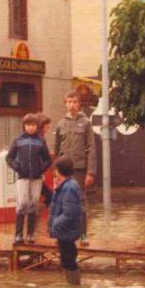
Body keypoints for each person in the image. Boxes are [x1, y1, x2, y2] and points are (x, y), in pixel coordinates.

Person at [51, 92, 96, 240]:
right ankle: (63, 234)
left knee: (80, 202)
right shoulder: (60, 124)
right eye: (69, 102)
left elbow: (91, 148)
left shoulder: (86, 123)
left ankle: (83, 234)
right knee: (61, 202)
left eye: (75, 102)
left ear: (79, 104)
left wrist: (91, 172)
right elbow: (56, 150)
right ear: (65, 104)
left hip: (79, 170)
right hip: (63, 171)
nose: (72, 105)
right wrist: (55, 171)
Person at [5, 113, 52, 245]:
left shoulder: (40, 141)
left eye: (33, 125)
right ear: (24, 126)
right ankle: (18, 234)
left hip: (36, 178)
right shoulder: (18, 140)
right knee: (23, 203)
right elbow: (9, 157)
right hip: (22, 178)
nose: (30, 128)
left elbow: (47, 159)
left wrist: (41, 169)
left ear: (37, 126)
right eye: (28, 125)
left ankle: (30, 234)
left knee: (33, 204)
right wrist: (17, 167)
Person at [48, 157, 86, 283]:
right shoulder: (67, 185)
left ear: (58, 171)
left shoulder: (68, 187)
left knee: (69, 260)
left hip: (66, 230)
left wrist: (55, 225)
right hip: (65, 231)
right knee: (66, 259)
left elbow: (70, 212)